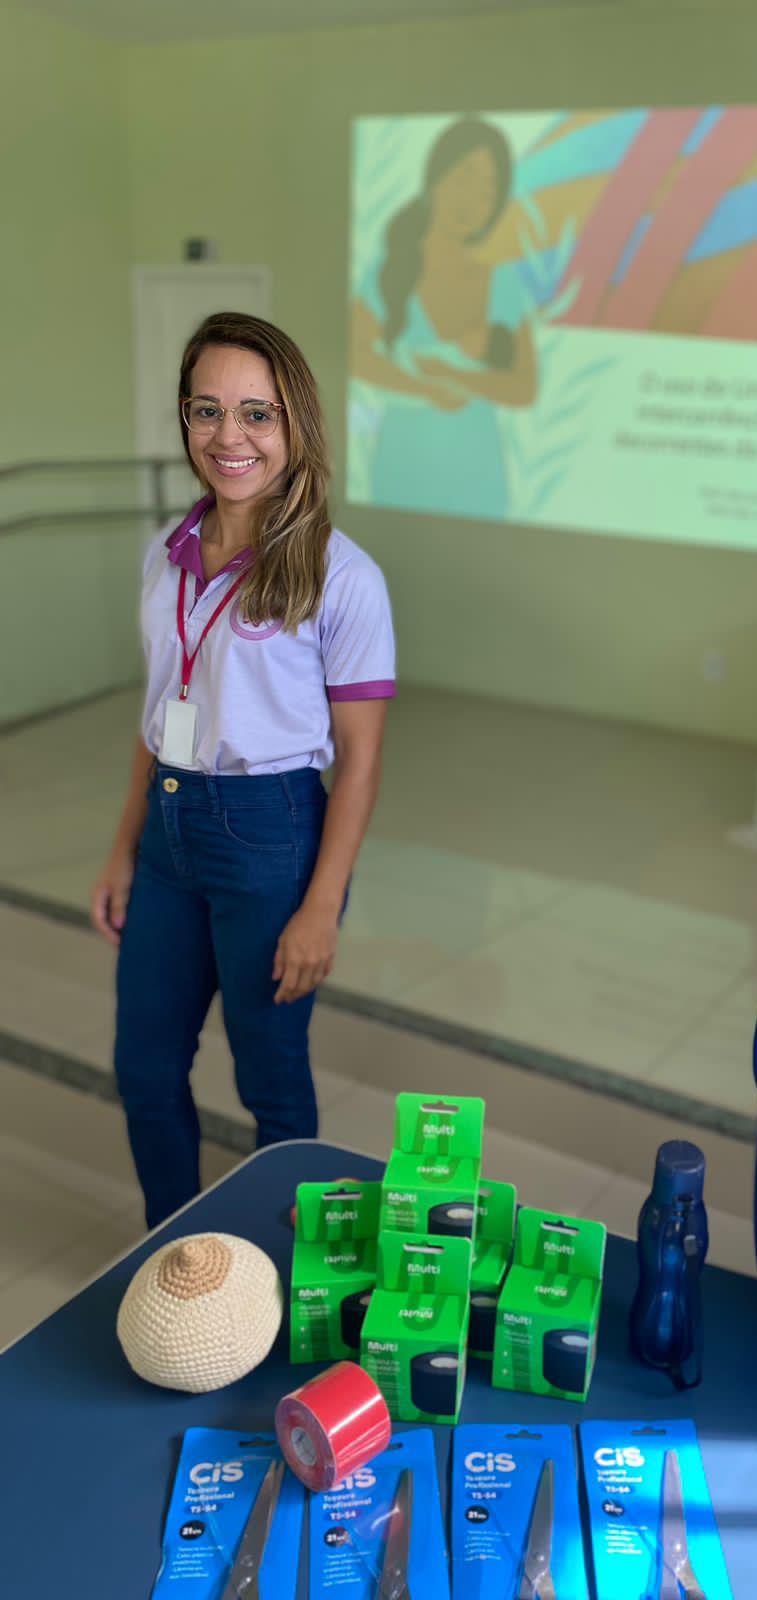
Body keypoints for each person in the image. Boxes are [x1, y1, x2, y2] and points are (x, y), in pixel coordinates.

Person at [91, 311, 395, 1228]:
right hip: (168, 837)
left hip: (271, 838)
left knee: (270, 1078)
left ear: (296, 425)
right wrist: (124, 848)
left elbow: (361, 759)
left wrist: (321, 906)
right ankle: (173, 1246)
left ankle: (286, 1266)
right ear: (186, 419)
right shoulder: (166, 554)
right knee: (145, 1069)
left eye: (258, 413)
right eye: (207, 410)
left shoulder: (342, 576)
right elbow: (158, 715)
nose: (231, 436)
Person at [350, 116, 537, 518]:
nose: (472, 199)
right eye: (464, 176)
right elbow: (355, 356)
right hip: (402, 467)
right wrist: (424, 389)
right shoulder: (391, 270)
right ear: (435, 176)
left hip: (478, 470)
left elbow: (525, 385)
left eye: (487, 189)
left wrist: (455, 377)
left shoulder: (502, 279)